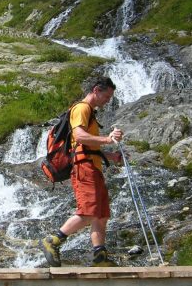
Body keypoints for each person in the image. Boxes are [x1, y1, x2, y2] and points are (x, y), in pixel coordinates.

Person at [40, 76, 123, 267]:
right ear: (96, 90)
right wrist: (108, 139)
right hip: (84, 167)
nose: (108, 100)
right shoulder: (82, 108)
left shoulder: (90, 112)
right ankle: (52, 240)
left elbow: (87, 145)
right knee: (88, 211)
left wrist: (112, 156)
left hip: (92, 165)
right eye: (107, 96)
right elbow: (79, 136)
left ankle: (100, 257)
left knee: (101, 214)